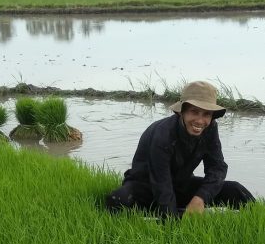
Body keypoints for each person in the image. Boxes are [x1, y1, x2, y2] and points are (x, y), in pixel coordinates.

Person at [105, 80, 255, 217]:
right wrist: (172, 219)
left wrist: (200, 197)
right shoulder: (163, 134)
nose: (200, 121)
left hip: (180, 185)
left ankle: (183, 211)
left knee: (236, 190)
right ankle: (172, 214)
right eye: (194, 112)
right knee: (119, 199)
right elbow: (161, 181)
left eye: (207, 114)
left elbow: (217, 168)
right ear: (181, 112)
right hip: (147, 186)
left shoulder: (210, 129)